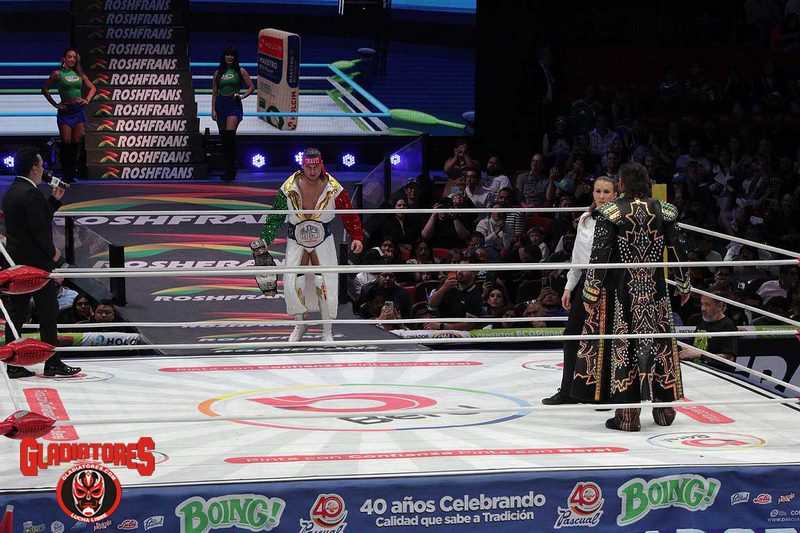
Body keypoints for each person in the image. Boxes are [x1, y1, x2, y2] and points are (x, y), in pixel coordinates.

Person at [576, 162, 691, 432]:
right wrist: (684, 284)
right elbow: (679, 250)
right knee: (660, 344)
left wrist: (590, 292)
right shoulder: (664, 210)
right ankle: (664, 411)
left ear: (621, 184)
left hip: (624, 290)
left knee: (626, 345)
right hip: (655, 288)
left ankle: (628, 416)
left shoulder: (611, 212)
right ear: (647, 183)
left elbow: (599, 256)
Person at [260, 148, 363, 342]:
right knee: (292, 283)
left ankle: (327, 331)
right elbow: (275, 217)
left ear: (321, 164)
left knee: (325, 284)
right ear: (303, 165)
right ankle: (300, 325)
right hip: (296, 240)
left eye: (316, 167)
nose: (313, 171)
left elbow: (349, 214)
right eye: (309, 167)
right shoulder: (289, 186)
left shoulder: (333, 187)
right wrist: (266, 238)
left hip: (323, 240)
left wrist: (357, 236)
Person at [2, 147, 80, 378]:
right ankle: (52, 362)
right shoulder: (31, 193)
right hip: (36, 265)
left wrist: (54, 200)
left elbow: (36, 219)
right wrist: (53, 253)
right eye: (42, 165)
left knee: (17, 314)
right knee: (48, 312)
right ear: (34, 168)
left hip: (16, 263)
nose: (44, 169)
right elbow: (39, 229)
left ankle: (14, 363)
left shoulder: (13, 191)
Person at [542, 176, 617, 405]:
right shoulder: (585, 218)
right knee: (572, 334)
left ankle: (605, 393)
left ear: (615, 194)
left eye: (606, 192)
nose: (601, 196)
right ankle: (568, 390)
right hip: (586, 279)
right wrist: (569, 286)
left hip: (610, 281)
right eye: (598, 191)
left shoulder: (620, 220)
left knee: (606, 338)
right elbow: (577, 255)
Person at [41, 48, 96, 182]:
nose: (72, 59)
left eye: (74, 57)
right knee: (66, 141)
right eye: (69, 57)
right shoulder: (57, 74)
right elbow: (45, 89)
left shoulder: (79, 74)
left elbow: (93, 88)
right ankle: (66, 175)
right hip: (65, 112)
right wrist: (55, 104)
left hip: (78, 111)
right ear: (64, 58)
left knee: (76, 142)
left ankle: (72, 174)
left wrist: (87, 100)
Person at [211, 46, 255, 181]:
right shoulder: (218, 72)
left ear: (235, 57)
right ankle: (227, 170)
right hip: (220, 104)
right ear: (224, 56)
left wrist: (242, 96)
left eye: (232, 55)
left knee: (230, 137)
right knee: (224, 140)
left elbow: (252, 86)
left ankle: (231, 170)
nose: (229, 57)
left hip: (233, 104)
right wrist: (213, 110)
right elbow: (214, 92)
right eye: (227, 55)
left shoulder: (240, 71)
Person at [679, 292, 738, 370]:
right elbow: (691, 347)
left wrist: (701, 355)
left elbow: (729, 358)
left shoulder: (728, 326)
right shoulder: (702, 321)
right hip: (696, 368)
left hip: (716, 372)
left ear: (719, 306)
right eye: (702, 304)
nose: (703, 308)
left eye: (707, 305)